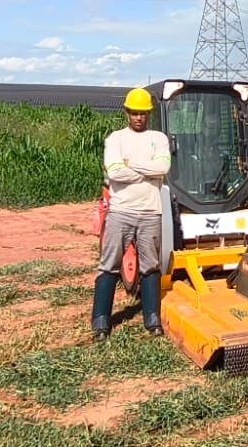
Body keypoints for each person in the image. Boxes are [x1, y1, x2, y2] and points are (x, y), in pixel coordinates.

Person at [91, 87, 172, 342]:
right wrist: (147, 172)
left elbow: (164, 167)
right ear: (127, 112)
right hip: (121, 212)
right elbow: (114, 172)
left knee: (150, 267)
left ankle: (152, 319)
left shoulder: (158, 138)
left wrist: (131, 165)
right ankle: (101, 321)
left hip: (151, 213)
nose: (139, 117)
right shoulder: (116, 139)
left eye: (143, 113)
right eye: (135, 113)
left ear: (149, 114)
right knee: (109, 265)